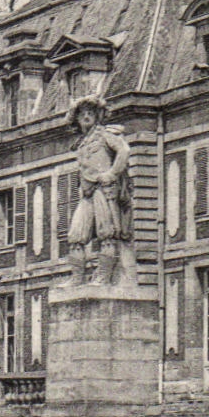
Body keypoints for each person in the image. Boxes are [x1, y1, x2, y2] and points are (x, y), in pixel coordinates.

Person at [65, 95, 134, 285]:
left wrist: (112, 173)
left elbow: (124, 151)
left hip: (104, 190)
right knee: (75, 236)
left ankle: (104, 277)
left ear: (97, 116)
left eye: (90, 113)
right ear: (77, 119)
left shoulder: (105, 134)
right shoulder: (81, 143)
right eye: (82, 114)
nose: (86, 116)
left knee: (107, 235)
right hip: (87, 194)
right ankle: (77, 278)